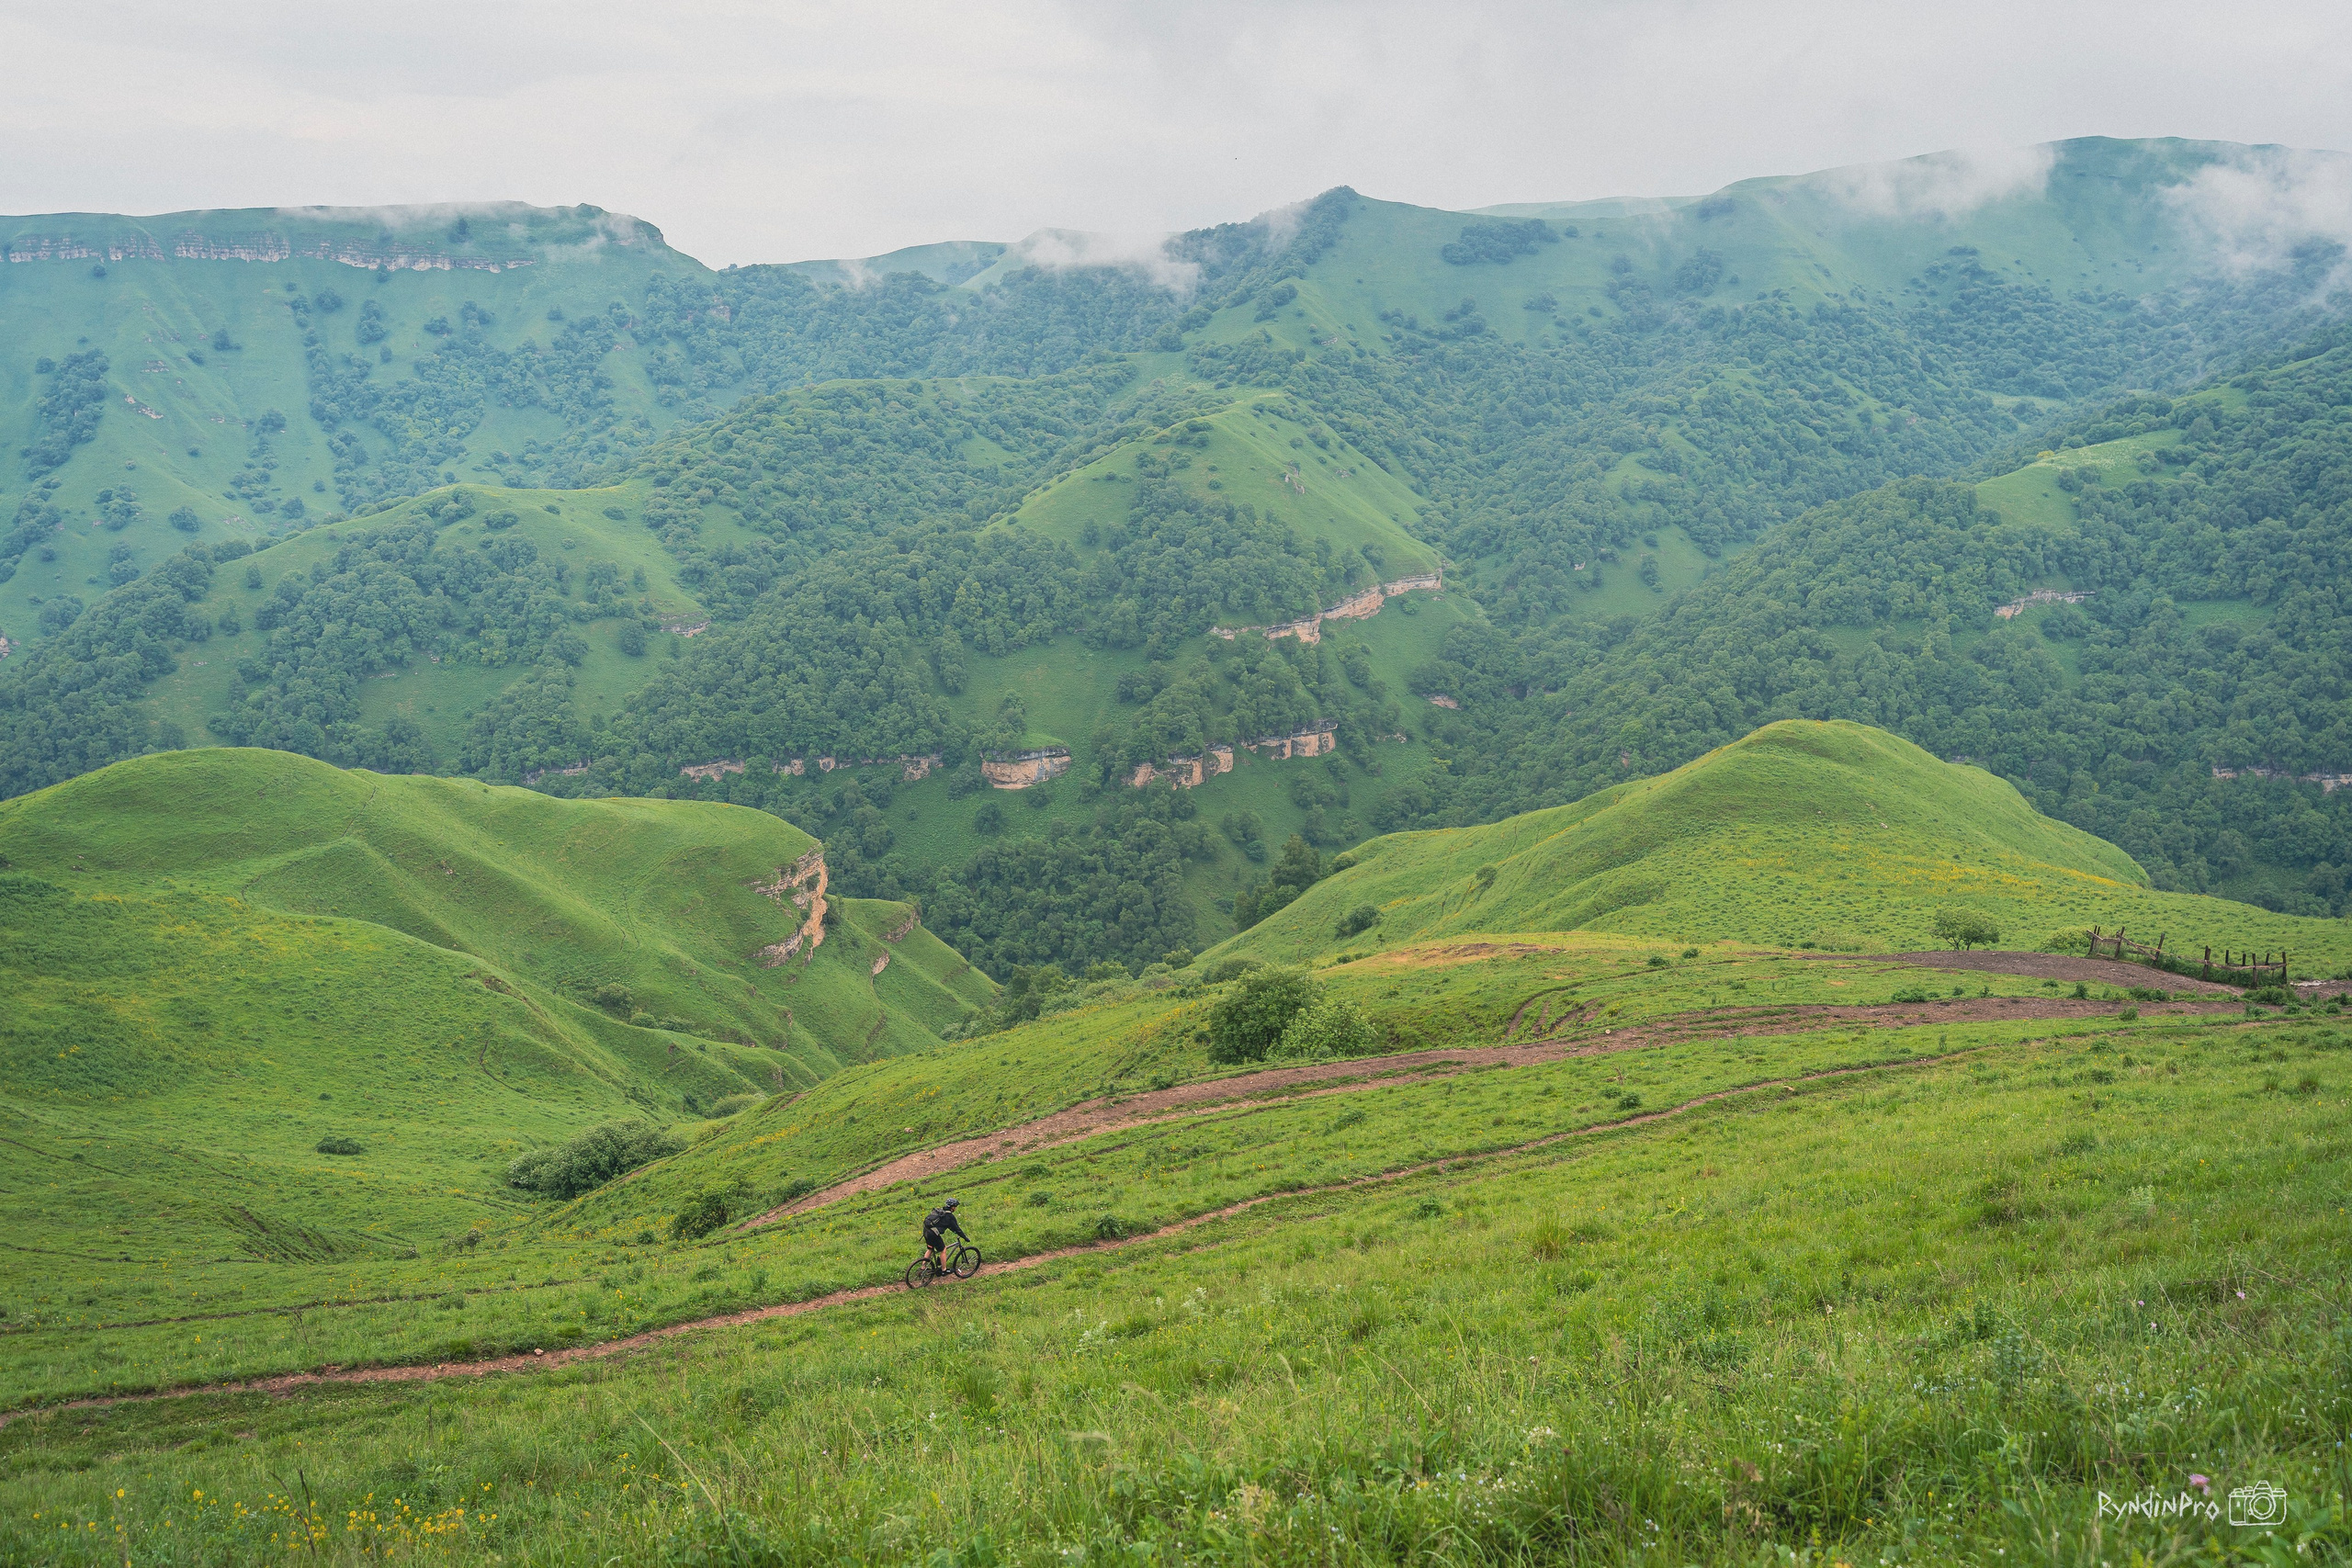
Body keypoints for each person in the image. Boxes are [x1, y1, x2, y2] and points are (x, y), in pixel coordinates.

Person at [922, 1197, 967, 1270]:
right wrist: (965, 1237)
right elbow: (957, 1229)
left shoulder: (941, 1211)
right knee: (943, 1250)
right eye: (955, 1206)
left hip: (926, 1230)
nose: (956, 1208)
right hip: (933, 1233)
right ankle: (944, 1270)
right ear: (952, 1207)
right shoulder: (950, 1216)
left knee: (930, 1249)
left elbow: (948, 1226)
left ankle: (923, 1267)